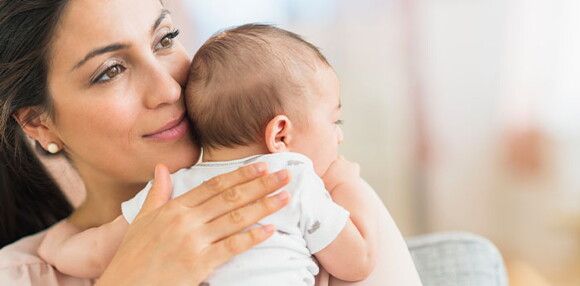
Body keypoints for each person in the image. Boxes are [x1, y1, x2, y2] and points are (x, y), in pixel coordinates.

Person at [0, 0, 423, 285]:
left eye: (164, 40)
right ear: (39, 123)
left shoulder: (326, 196)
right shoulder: (20, 273)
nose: (167, 88)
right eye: (110, 71)